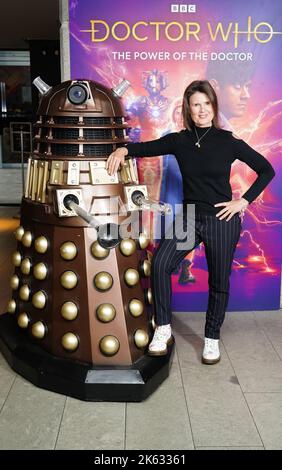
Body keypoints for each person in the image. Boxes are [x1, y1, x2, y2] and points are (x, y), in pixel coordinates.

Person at [106, 80, 275, 365]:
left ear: (213, 106)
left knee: (219, 281)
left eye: (206, 103)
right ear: (188, 108)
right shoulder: (179, 140)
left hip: (222, 219)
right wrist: (123, 150)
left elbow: (266, 170)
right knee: (160, 264)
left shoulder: (228, 141)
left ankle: (211, 339)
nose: (202, 110)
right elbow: (146, 148)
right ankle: (163, 329)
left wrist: (242, 201)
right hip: (190, 218)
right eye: (196, 104)